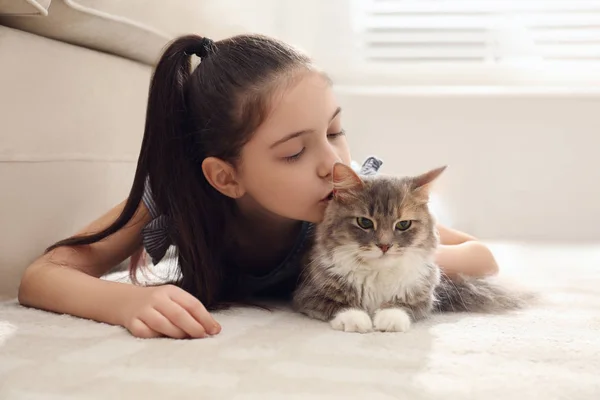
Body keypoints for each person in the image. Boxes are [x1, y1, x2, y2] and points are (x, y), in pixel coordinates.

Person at [17, 34, 499, 340]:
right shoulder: (175, 198)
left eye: (334, 131)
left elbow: (481, 256)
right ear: (225, 177)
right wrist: (126, 301)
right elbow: (43, 274)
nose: (333, 165)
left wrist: (389, 267)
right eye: (294, 152)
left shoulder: (356, 208)